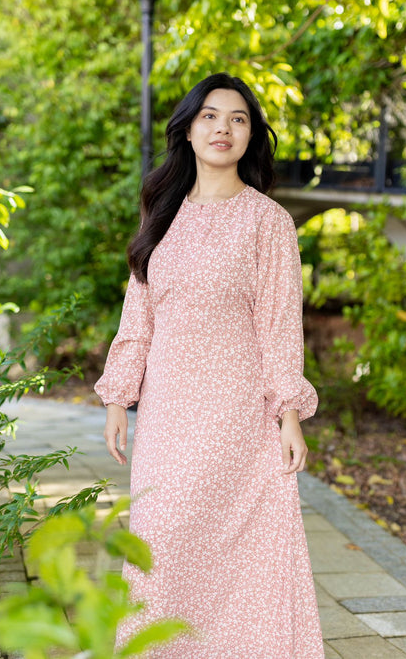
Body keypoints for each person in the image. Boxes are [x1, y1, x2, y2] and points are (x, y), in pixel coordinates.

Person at [95, 73, 324, 658]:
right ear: (189, 129)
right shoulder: (161, 214)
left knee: (245, 560)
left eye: (239, 118)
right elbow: (138, 315)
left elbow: (278, 327)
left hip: (238, 422)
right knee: (163, 543)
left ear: (251, 135)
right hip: (168, 421)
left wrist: (289, 416)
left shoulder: (268, 222)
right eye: (211, 116)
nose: (224, 128)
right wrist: (119, 397)